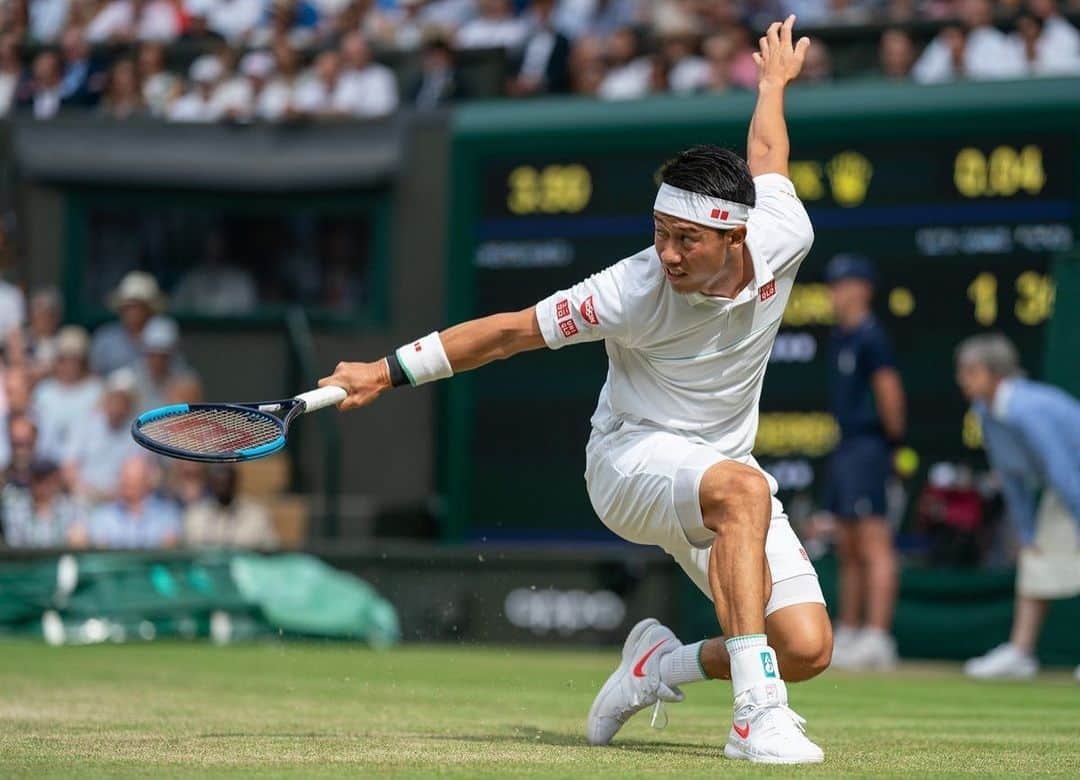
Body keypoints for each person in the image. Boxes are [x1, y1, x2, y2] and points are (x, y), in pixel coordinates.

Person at [320, 16, 829, 764]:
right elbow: (505, 333)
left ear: (734, 237)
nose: (669, 252)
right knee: (743, 493)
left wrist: (772, 84)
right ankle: (755, 714)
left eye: (687, 239)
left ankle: (657, 666)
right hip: (628, 464)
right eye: (660, 231)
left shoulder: (784, 231)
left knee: (807, 645)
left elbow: (766, 153)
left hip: (719, 470)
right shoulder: (629, 287)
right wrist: (384, 370)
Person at [955, 334, 1080, 682]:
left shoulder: (1026, 408)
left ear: (995, 373)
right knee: (1037, 556)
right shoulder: (985, 412)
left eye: (970, 370)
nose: (962, 378)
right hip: (1067, 484)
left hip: (1072, 480)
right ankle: (1021, 653)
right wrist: (1025, 531)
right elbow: (1011, 477)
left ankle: (1021, 650)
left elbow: (1060, 467)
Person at [823, 254, 906, 670]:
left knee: (874, 542)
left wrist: (889, 443)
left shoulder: (873, 338)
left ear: (862, 289)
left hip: (869, 447)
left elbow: (889, 391)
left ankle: (878, 635)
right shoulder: (842, 337)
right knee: (848, 543)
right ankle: (851, 630)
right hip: (848, 447)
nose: (835, 294)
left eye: (843, 284)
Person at [62, 368, 142, 500]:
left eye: (124, 401)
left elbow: (136, 474)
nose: (119, 405)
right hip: (81, 497)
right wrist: (83, 491)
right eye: (115, 399)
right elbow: (69, 465)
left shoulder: (137, 435)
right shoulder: (85, 423)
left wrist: (113, 496)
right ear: (107, 398)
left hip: (119, 502)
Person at [30, 326, 103, 462]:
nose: (69, 365)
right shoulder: (43, 391)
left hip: (83, 465)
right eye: (64, 359)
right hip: (44, 465)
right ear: (56, 361)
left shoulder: (96, 390)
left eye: (74, 360)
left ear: (83, 361)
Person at [86, 456, 181, 549]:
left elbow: (168, 551)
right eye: (125, 477)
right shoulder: (103, 516)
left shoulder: (167, 514)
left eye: (133, 478)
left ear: (147, 481)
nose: (127, 482)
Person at [89, 271, 167, 375]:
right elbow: (93, 375)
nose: (132, 312)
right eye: (128, 307)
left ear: (149, 309)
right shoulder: (105, 338)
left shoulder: (164, 335)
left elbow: (178, 376)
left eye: (137, 306)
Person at [183, 464, 277, 549]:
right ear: (211, 483)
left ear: (235, 481)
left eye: (227, 481)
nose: (223, 485)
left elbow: (270, 551)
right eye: (218, 482)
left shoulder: (256, 515)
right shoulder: (195, 514)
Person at [0, 459, 85, 548]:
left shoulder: (70, 507)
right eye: (38, 479)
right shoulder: (16, 507)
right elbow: (15, 544)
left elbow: (78, 539)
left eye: (49, 479)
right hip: (28, 560)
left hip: (61, 560)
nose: (44, 485)